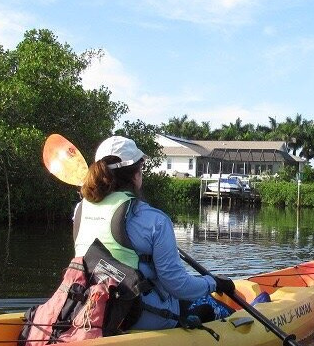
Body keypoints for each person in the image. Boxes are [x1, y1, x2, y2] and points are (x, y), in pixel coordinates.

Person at [73, 135, 236, 330]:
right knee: (216, 308)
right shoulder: (155, 220)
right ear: (136, 174)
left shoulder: (80, 210)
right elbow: (177, 285)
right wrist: (213, 283)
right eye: (141, 168)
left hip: (91, 309)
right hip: (140, 316)